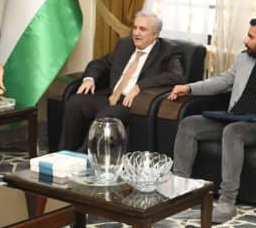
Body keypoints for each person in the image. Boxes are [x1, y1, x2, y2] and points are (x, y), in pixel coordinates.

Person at [169, 17, 256, 224]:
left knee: (233, 132)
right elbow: (222, 81)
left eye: (250, 36)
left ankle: (227, 203)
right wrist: (189, 88)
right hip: (231, 117)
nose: (245, 40)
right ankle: (181, 192)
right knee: (189, 124)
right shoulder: (243, 59)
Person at [61, 12, 184, 151]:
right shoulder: (125, 45)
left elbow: (176, 76)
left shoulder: (167, 51)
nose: (136, 33)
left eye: (142, 29)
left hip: (131, 103)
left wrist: (140, 86)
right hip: (111, 97)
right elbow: (100, 63)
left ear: (155, 34)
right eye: (135, 27)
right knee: (75, 102)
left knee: (105, 118)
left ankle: (83, 156)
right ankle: (64, 153)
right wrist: (89, 79)